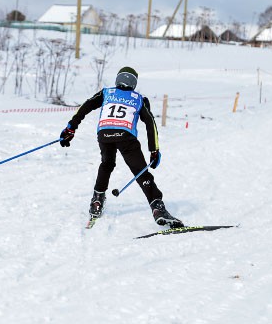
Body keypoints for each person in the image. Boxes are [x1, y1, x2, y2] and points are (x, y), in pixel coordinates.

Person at [59, 66, 183, 228]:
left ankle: (97, 201)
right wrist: (154, 150)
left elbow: (86, 106)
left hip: (104, 134)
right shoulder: (139, 99)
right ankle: (157, 208)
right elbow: (150, 123)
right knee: (140, 172)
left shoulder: (106, 93)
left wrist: (71, 128)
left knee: (107, 164)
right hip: (126, 137)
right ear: (134, 82)